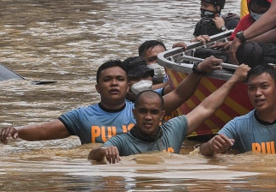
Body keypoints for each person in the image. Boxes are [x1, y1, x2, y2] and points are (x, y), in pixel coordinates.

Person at [0, 57, 222, 145]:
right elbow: (42, 131)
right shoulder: (82, 116)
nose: (113, 84)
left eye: (119, 79)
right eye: (107, 80)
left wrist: (197, 71)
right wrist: (14, 130)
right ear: (98, 87)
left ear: (128, 86)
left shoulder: (144, 111)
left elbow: (181, 95)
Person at [88, 64, 251, 163]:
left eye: (154, 112)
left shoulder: (174, 128)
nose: (148, 117)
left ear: (162, 115)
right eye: (143, 111)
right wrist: (102, 152)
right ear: (134, 114)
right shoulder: (122, 141)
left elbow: (205, 108)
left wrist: (233, 80)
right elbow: (92, 156)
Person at [199, 62, 276, 156]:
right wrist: (212, 146)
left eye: (264, 86)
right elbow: (201, 151)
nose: (257, 93)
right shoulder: (239, 125)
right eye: (252, 88)